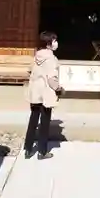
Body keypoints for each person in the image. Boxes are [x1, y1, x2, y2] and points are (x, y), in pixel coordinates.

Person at [23, 31, 63, 159]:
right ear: (49, 43)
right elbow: (52, 78)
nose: (56, 43)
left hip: (35, 92)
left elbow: (30, 70)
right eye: (54, 40)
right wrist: (58, 88)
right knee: (44, 122)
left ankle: (28, 149)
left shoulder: (37, 56)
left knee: (33, 119)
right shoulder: (51, 58)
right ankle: (42, 151)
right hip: (46, 92)